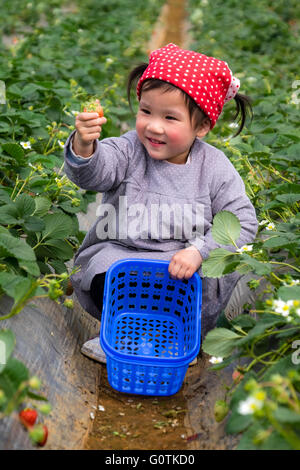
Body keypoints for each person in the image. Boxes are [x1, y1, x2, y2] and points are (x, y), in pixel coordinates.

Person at [63, 43, 258, 363]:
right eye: (146, 111)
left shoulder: (215, 168)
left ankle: (176, 339)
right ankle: (119, 335)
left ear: (202, 126)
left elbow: (243, 221)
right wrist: (85, 145)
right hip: (124, 259)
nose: (154, 126)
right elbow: (95, 174)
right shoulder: (128, 150)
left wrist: (200, 251)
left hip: (182, 271)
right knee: (105, 275)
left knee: (191, 288)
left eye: (170, 117)